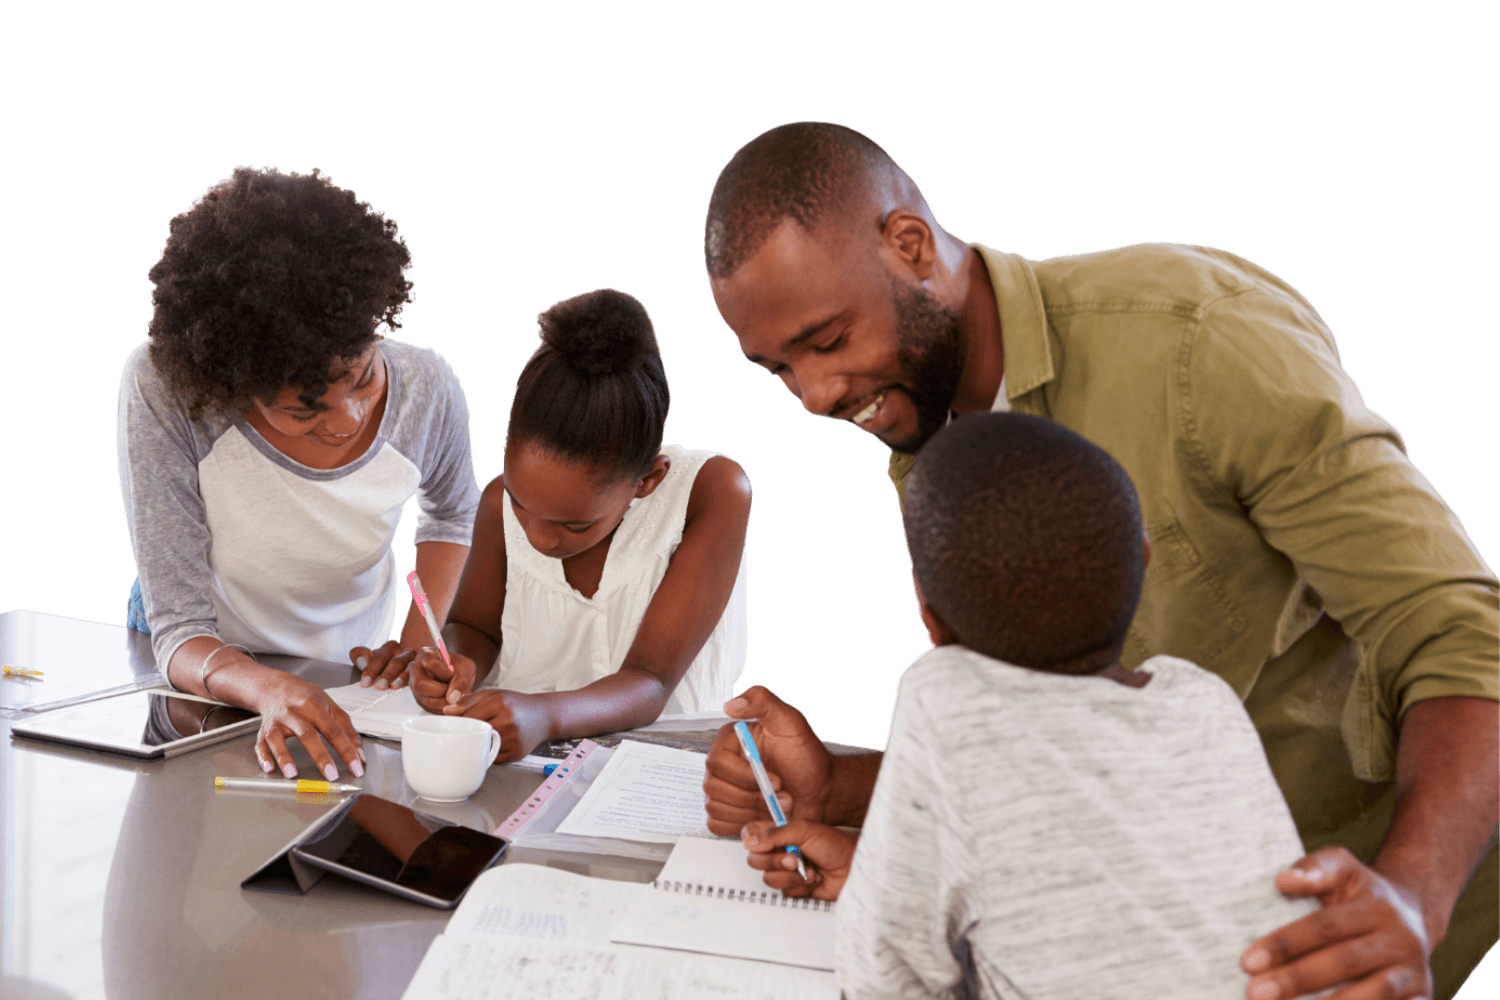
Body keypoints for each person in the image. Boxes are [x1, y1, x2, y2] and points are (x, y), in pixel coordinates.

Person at [701, 122, 1498, 1000]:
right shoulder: (926, 428)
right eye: (778, 369)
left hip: (1349, 902)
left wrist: (1412, 895)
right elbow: (1064, 737)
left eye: (826, 341)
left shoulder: (1198, 340)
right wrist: (850, 797)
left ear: (910, 244)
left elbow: (1465, 636)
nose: (815, 396)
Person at [743, 411, 1323, 997]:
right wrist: (877, 874)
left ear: (932, 621)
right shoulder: (1204, 699)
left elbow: (886, 977)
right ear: (1142, 564)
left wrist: (882, 896)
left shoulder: (944, 698)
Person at [118, 166, 480, 782]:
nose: (348, 419)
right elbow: (178, 630)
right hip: (201, 674)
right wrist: (266, 687)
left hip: (343, 672)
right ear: (232, 386)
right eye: (304, 411)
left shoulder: (429, 388)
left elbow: (452, 515)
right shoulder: (167, 389)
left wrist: (418, 643)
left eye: (363, 378)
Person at [401, 288, 752, 762]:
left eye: (574, 525)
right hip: (515, 765)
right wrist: (455, 662)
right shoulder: (496, 501)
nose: (538, 537)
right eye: (522, 506)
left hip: (654, 769)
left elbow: (651, 681)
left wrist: (543, 715)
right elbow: (474, 627)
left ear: (647, 480)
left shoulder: (710, 494)